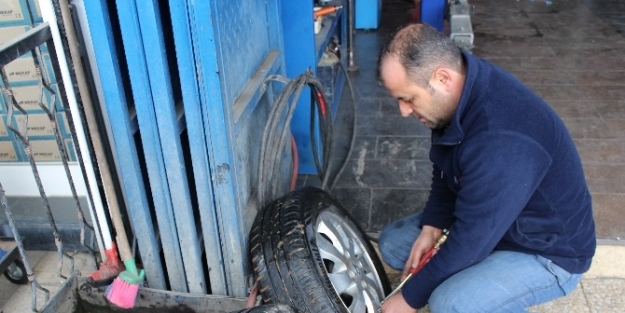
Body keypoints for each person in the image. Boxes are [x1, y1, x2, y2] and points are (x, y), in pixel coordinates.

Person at [376, 23, 596, 312]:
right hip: (499, 219)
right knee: (394, 245)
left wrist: (408, 299)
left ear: (442, 78)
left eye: (408, 98)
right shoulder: (457, 93)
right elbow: (445, 163)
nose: (403, 111)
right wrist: (434, 223)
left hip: (546, 249)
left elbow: (472, 239)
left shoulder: (501, 141)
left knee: (451, 303)